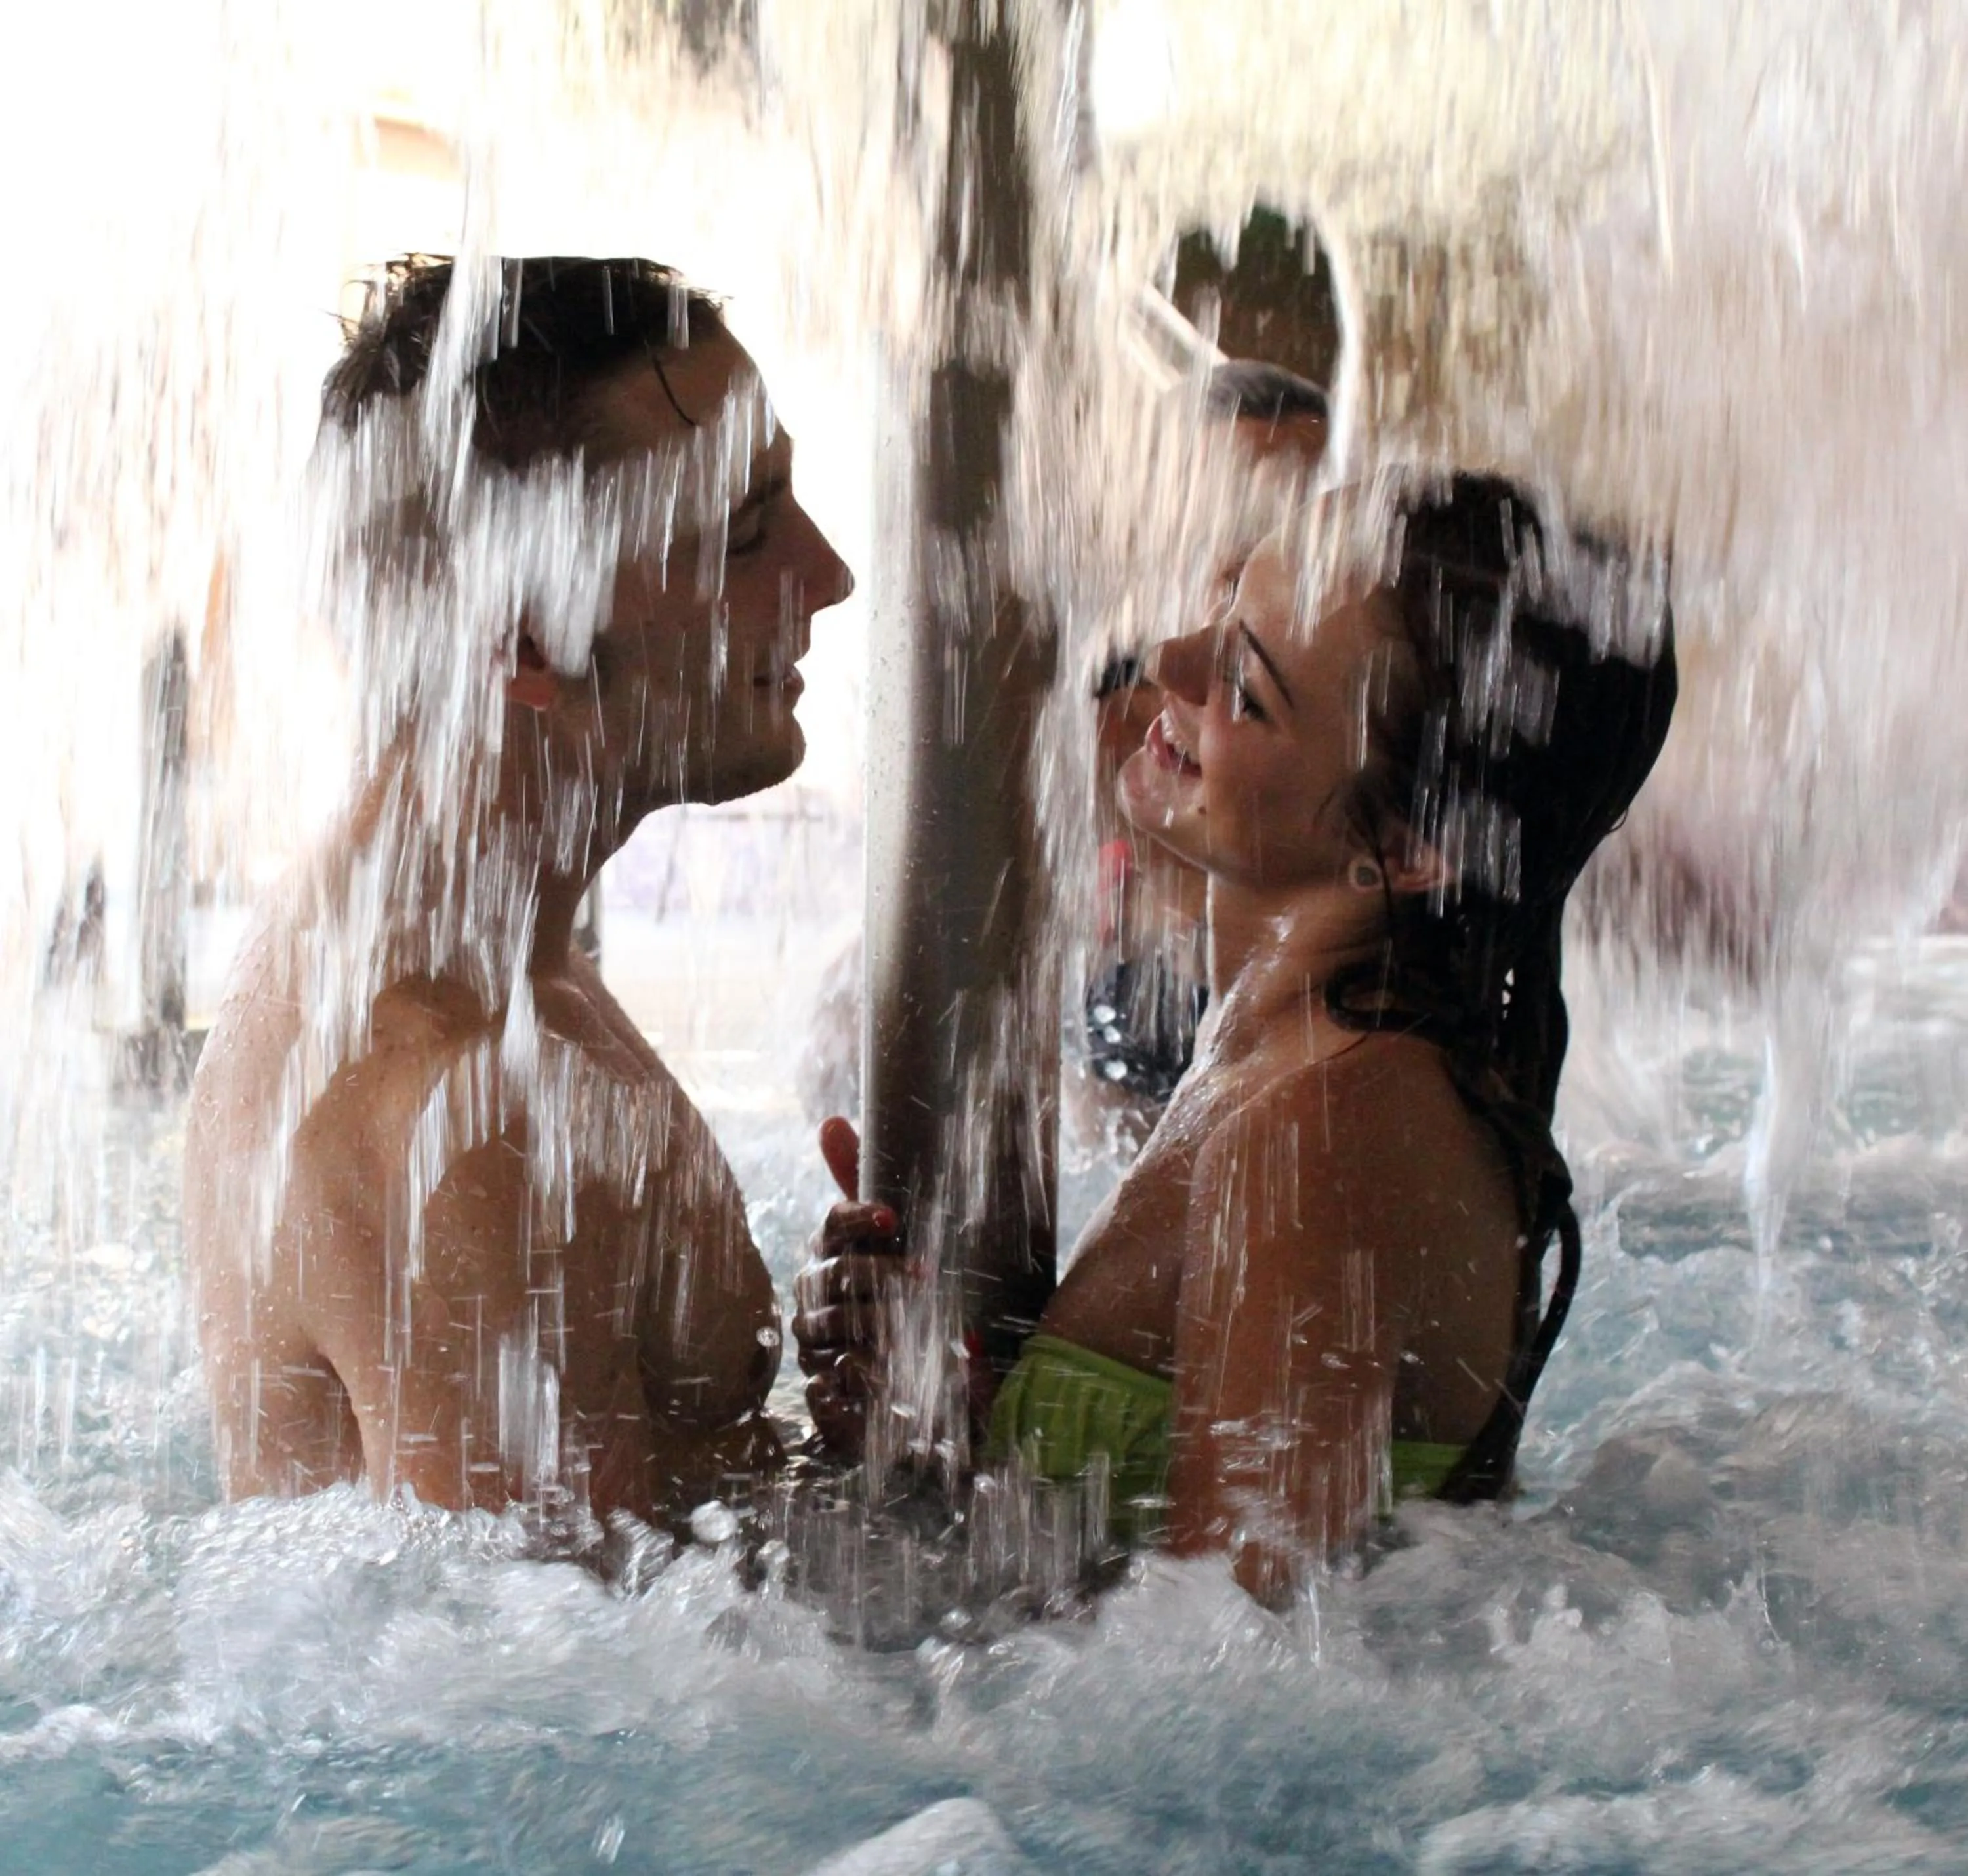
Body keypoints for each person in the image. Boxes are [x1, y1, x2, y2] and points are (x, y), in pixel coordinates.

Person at [795, 471, 1675, 1601]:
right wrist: (938, 1426)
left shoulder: (1321, 1135)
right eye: (1221, 611)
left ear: (1409, 846)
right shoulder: (1282, 1062)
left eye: (1246, 689)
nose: (1170, 660)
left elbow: (1219, 1686)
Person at [185, 256, 852, 1526]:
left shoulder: (454, 952)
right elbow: (585, 1703)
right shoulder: (464, 1120)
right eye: (748, 533)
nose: (826, 577)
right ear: (529, 635)